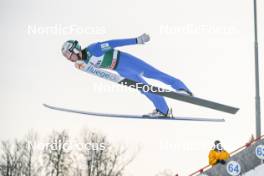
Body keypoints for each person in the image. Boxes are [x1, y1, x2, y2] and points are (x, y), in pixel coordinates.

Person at [61, 34, 192, 117]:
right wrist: (83, 68)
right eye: (67, 57)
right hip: (121, 70)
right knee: (144, 89)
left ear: (76, 49)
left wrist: (136, 40)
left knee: (154, 73)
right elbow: (98, 72)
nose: (69, 58)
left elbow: (113, 43)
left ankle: (182, 88)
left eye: (69, 54)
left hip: (125, 61)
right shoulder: (83, 62)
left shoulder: (94, 49)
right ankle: (163, 110)